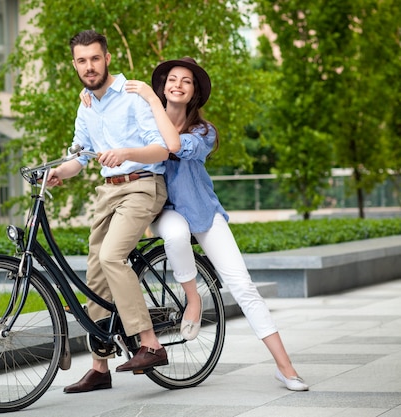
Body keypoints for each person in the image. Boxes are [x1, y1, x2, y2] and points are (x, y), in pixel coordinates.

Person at [80, 57, 309, 391]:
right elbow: (109, 107)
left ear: (195, 92)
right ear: (163, 85)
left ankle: (286, 367)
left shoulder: (203, 131)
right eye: (172, 79)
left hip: (202, 211)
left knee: (243, 286)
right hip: (163, 210)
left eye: (186, 81)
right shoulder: (146, 119)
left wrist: (149, 99)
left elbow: (172, 146)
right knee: (174, 233)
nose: (177, 85)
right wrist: (88, 98)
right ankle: (194, 299)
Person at [46, 30, 181, 394]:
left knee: (111, 256)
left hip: (142, 185)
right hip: (108, 192)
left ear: (107, 58)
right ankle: (100, 366)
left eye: (94, 58)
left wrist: (124, 152)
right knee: (95, 273)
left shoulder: (134, 96)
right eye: (81, 61)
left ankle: (150, 343)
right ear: (74, 64)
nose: (89, 66)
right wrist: (59, 171)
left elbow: (162, 150)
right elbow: (81, 156)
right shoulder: (86, 105)